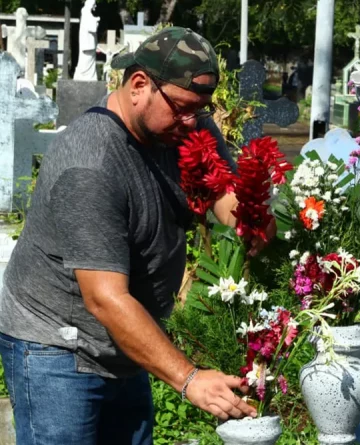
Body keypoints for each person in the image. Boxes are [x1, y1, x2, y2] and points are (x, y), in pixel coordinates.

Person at [0, 27, 269, 445]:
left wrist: (249, 218)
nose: (192, 122)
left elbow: (221, 190)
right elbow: (105, 298)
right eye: (181, 108)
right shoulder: (90, 165)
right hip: (58, 344)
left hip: (125, 337)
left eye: (200, 110)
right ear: (140, 85)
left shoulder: (181, 123)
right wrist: (189, 378)